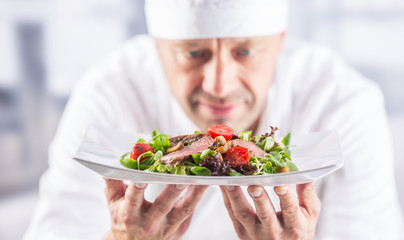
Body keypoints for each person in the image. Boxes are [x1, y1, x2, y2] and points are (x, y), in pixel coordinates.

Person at [24, 0, 404, 239]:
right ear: (158, 48)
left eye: (245, 51)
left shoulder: (344, 104)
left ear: (280, 43)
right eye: (193, 53)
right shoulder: (108, 92)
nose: (219, 85)